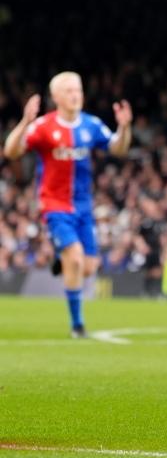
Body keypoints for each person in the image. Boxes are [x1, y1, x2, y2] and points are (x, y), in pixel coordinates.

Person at [3, 72, 132, 337]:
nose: (76, 95)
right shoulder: (43, 126)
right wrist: (25, 121)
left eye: (79, 90)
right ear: (57, 97)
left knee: (88, 267)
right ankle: (77, 325)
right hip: (54, 205)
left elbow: (118, 149)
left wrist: (124, 127)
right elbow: (11, 151)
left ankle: (60, 259)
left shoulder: (91, 125)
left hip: (84, 208)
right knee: (74, 257)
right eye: (70, 90)